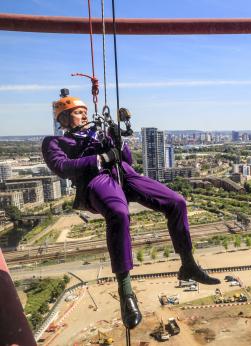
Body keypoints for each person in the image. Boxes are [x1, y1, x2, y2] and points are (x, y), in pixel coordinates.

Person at [42, 95, 220, 329]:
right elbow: (62, 167)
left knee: (177, 202)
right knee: (119, 213)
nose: (84, 115)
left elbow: (126, 159)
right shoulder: (54, 142)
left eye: (85, 111)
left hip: (124, 174)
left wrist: (119, 142)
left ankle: (188, 265)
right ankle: (126, 292)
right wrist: (100, 158)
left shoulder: (101, 134)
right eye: (78, 112)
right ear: (64, 118)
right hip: (98, 180)